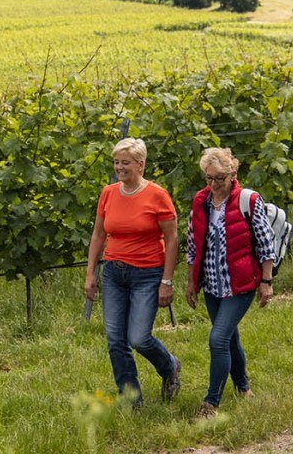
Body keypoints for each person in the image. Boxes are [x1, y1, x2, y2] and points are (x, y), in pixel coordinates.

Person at [84, 137, 182, 406]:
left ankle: (170, 366)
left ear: (141, 164)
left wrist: (167, 280)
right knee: (116, 340)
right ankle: (131, 398)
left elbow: (172, 239)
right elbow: (98, 234)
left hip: (147, 273)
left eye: (125, 162)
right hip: (114, 272)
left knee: (138, 338)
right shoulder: (108, 193)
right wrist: (91, 273)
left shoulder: (158, 196)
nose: (119, 167)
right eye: (116, 162)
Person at [185, 147, 276, 419]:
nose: (213, 184)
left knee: (218, 339)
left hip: (241, 284)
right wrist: (191, 282)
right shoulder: (200, 202)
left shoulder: (248, 200)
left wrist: (267, 281)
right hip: (212, 284)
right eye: (208, 178)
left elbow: (265, 243)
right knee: (230, 337)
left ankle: (211, 402)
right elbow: (193, 245)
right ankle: (243, 388)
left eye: (219, 179)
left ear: (233, 174)